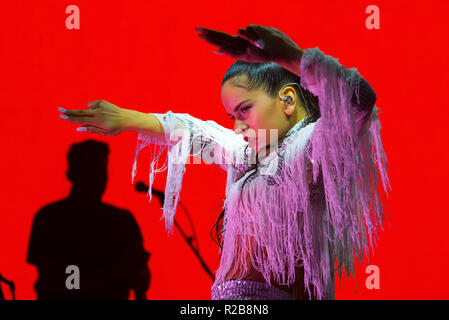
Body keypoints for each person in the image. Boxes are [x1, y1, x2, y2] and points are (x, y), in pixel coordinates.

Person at [58, 24, 391, 300]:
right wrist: (129, 118)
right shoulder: (242, 153)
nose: (237, 125)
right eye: (231, 115)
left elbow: (359, 100)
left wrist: (286, 54)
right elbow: (193, 130)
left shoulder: (312, 147)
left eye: (244, 109)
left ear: (287, 100)